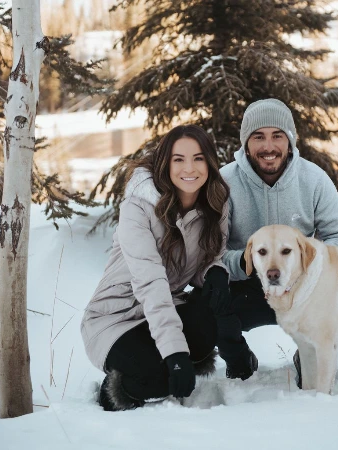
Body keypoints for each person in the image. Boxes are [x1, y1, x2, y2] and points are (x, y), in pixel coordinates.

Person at [81, 125, 230, 411]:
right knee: (156, 379)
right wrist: (174, 353)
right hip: (115, 318)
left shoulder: (215, 203)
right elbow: (151, 283)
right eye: (179, 159)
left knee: (205, 320)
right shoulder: (137, 209)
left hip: (161, 312)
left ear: (209, 162)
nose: (190, 168)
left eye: (198, 158)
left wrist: (215, 272)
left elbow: (212, 256)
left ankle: (163, 360)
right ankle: (113, 391)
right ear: (165, 163)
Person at [215, 98, 338, 386]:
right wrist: (247, 264)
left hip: (304, 290)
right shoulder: (224, 183)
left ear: (290, 140)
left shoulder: (313, 179)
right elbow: (211, 252)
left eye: (277, 136)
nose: (269, 146)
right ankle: (240, 360)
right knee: (205, 303)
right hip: (248, 286)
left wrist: (305, 263)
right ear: (246, 143)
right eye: (259, 137)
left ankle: (309, 354)